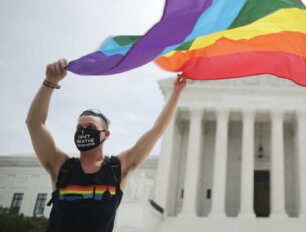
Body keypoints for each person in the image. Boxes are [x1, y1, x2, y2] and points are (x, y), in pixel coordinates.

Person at [25, 58, 187, 232]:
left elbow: (158, 129)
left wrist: (176, 92)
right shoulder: (61, 167)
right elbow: (35, 124)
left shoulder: (117, 169)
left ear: (105, 134)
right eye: (80, 127)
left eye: (90, 127)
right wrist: (50, 82)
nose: (83, 131)